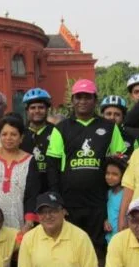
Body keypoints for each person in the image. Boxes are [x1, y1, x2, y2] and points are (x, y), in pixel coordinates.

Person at [46, 79, 126, 253]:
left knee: (97, 249)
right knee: (71, 248)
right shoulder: (61, 128)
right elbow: (52, 167)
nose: (82, 101)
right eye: (78, 97)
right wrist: (58, 201)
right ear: (72, 100)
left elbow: (120, 162)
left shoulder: (109, 127)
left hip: (99, 202)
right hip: (70, 202)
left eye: (87, 97)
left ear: (95, 100)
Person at [21, 88, 55, 194]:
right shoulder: (20, 133)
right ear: (27, 110)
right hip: (25, 189)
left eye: (41, 107)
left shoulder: (57, 132)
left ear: (47, 109)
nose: (37, 111)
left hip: (50, 189)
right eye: (33, 108)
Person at [104, 155, 127, 244]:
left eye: (115, 174)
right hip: (109, 240)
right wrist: (105, 221)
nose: (109, 177)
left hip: (122, 241)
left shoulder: (126, 194)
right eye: (107, 173)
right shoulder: (108, 193)